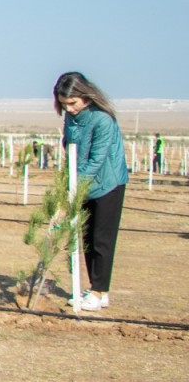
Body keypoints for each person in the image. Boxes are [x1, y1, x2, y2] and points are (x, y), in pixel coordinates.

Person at [54, 71, 129, 313]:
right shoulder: (70, 118)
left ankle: (99, 292)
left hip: (108, 183)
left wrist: (73, 191)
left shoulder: (102, 120)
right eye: (64, 105)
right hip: (81, 183)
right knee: (86, 239)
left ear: (85, 96)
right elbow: (70, 149)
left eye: (73, 103)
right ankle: (95, 289)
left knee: (102, 240)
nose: (70, 109)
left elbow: (97, 160)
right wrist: (69, 183)